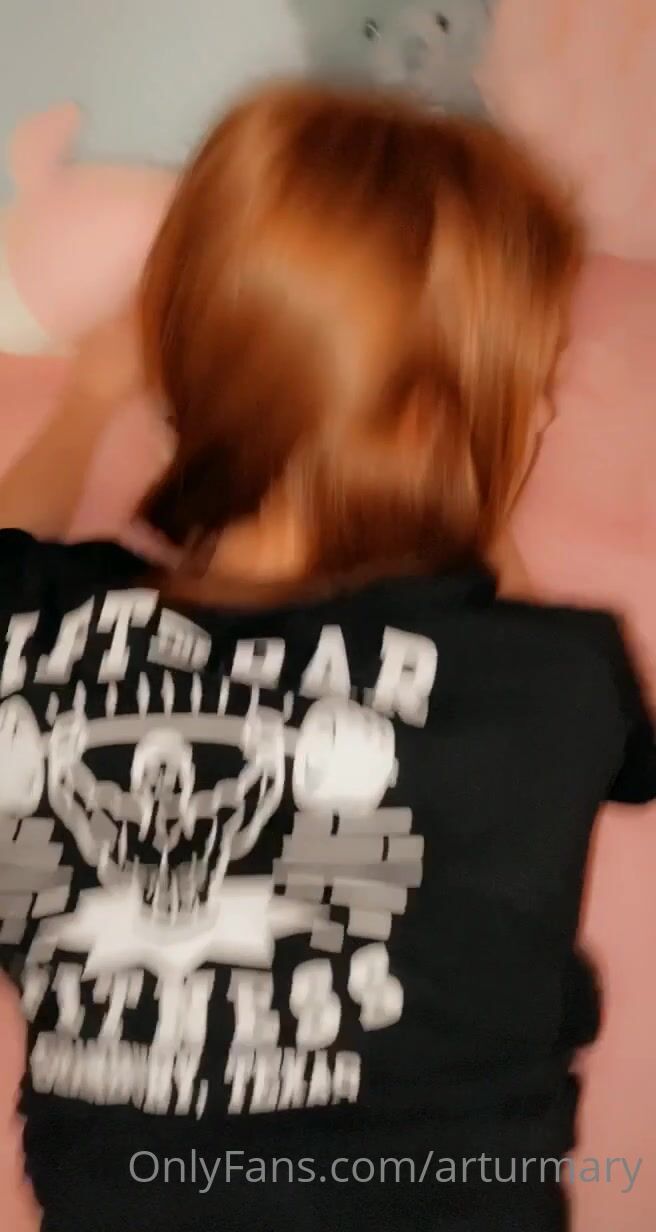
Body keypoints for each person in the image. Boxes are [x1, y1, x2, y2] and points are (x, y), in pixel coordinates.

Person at [0, 82, 653, 1232]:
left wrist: (89, 397)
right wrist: (469, 504)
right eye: (531, 387)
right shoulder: (542, 680)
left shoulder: (35, 630)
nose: (547, 417)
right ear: (428, 430)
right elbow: (628, 758)